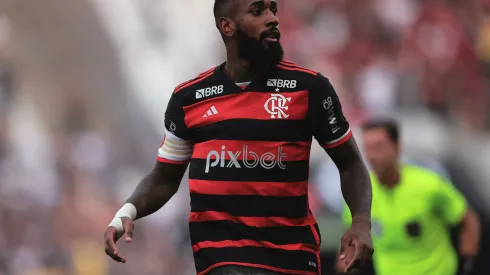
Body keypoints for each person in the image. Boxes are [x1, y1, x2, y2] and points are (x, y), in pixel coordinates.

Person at [104, 1, 374, 274]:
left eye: (273, 10)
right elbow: (165, 177)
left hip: (290, 260)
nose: (272, 19)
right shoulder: (189, 98)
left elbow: (350, 163)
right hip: (221, 261)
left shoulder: (309, 89)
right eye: (258, 11)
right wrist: (127, 211)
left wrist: (361, 222)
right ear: (227, 25)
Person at [341, 119, 481, 275]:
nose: (372, 155)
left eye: (379, 147)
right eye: (367, 148)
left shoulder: (429, 185)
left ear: (397, 147)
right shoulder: (358, 194)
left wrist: (467, 265)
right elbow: (352, 241)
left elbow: (468, 221)